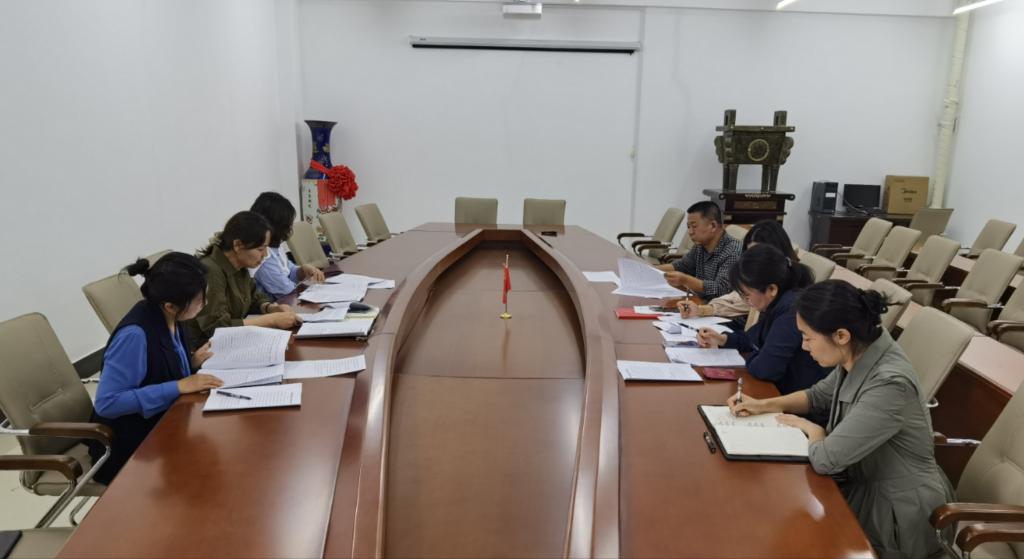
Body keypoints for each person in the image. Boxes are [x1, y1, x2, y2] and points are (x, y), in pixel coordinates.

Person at [727, 280, 953, 558]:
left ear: (841, 335)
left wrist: (812, 429)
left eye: (808, 337)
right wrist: (763, 405)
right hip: (860, 482)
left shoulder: (889, 384)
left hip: (896, 513)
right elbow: (817, 395)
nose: (804, 346)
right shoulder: (861, 351)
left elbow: (825, 460)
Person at [88, 253, 225, 484]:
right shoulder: (134, 335)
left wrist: (191, 364)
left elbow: (159, 368)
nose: (204, 304)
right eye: (199, 300)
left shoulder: (171, 316)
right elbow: (108, 403)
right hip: (131, 447)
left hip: (168, 422)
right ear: (170, 305)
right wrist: (178, 386)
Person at [697, 244, 827, 394]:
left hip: (798, 396)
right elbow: (753, 339)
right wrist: (722, 339)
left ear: (772, 289)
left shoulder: (791, 312)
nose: (746, 301)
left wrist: (754, 355)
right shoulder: (778, 303)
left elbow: (766, 369)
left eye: (747, 295)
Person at [187, 211, 302, 348]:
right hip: (205, 349)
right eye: (260, 249)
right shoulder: (210, 271)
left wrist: (271, 308)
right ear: (238, 245)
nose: (265, 255)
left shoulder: (240, 266)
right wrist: (271, 320)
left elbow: (254, 298)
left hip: (231, 343)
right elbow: (217, 327)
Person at [676, 219, 798, 320]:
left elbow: (742, 303)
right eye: (749, 253)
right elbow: (737, 297)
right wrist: (702, 310)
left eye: (758, 254)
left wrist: (703, 309)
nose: (752, 260)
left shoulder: (788, 292)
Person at [656, 201, 741, 300]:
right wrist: (650, 269)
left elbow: (721, 289)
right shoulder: (700, 245)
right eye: (688, 227)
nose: (690, 232)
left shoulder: (733, 251)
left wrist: (686, 280)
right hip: (697, 301)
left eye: (694, 226)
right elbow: (681, 266)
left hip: (716, 307)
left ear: (713, 226)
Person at [250, 191, 325, 298]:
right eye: (286, 225)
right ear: (274, 226)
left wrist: (302, 270)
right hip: (277, 304)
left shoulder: (274, 245)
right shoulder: (263, 258)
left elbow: (288, 270)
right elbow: (288, 292)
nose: (289, 228)